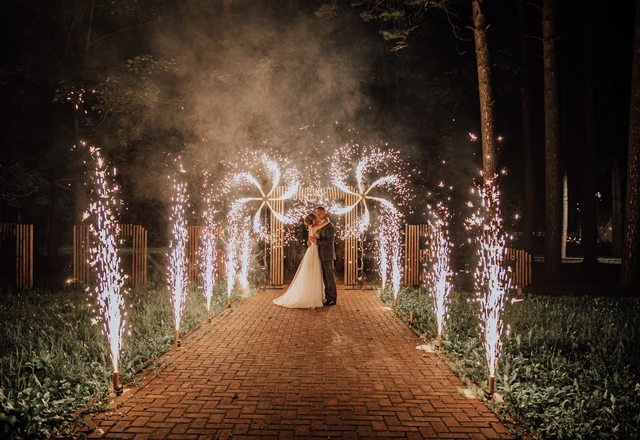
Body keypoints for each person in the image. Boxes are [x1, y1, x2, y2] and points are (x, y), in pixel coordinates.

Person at [273, 213, 328, 308]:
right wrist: (326, 218)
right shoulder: (314, 228)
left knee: (312, 272)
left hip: (313, 250)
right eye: (316, 217)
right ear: (313, 220)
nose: (317, 218)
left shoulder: (310, 228)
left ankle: (313, 295)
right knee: (314, 272)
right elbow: (326, 222)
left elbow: (309, 242)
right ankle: (313, 297)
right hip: (314, 251)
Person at [309, 206, 337, 306]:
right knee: (325, 278)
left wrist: (317, 241)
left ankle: (332, 298)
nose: (318, 215)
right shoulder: (321, 225)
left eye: (320, 213)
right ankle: (328, 297)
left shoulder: (329, 227)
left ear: (325, 213)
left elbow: (329, 242)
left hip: (328, 255)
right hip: (321, 254)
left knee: (329, 278)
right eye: (317, 214)